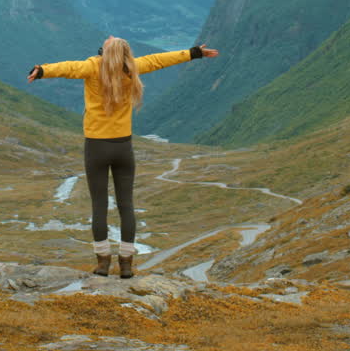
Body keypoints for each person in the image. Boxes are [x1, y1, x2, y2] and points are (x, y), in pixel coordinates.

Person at [28, 36, 220, 279]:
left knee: (99, 206)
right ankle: (127, 265)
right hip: (123, 147)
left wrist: (42, 70)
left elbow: (68, 68)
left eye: (109, 41)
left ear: (106, 52)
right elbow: (159, 60)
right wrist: (193, 53)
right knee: (126, 205)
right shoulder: (132, 68)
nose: (107, 39)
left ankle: (103, 263)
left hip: (96, 147)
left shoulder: (92, 66)